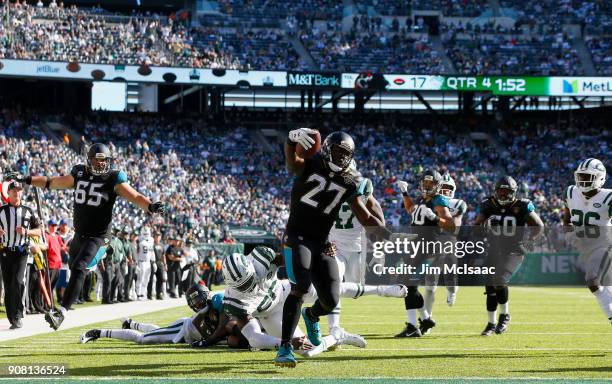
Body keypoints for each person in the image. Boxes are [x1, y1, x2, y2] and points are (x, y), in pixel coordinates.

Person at [4, 143, 166, 330]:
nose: (99, 164)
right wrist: (26, 179)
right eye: (96, 160)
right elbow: (52, 182)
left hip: (99, 236)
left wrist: (150, 206)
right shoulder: (79, 174)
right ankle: (92, 265)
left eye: (102, 161)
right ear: (88, 160)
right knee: (75, 268)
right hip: (79, 235)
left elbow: (135, 196)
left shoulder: (113, 178)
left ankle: (61, 313)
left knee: (81, 267)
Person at [276, 129, 386, 367]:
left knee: (330, 300)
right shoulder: (312, 162)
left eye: (346, 154)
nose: (341, 158)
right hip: (297, 237)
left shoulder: (351, 180)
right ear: (326, 149)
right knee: (301, 288)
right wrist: (289, 142)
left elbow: (363, 214)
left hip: (323, 242)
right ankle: (285, 347)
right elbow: (293, 163)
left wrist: (380, 230)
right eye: (337, 151)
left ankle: (312, 315)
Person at [474, 176, 544, 336]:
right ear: (496, 191)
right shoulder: (488, 204)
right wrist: (484, 226)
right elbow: (475, 229)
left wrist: (530, 240)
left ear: (514, 192)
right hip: (494, 250)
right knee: (490, 287)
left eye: (507, 192)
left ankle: (504, 316)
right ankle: (491, 323)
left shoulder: (522, 205)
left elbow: (539, 225)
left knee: (499, 280)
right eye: (501, 191)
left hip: (514, 250)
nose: (503, 195)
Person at [395, 169, 456, 337]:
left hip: (429, 249)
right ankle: (424, 319)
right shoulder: (422, 199)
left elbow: (451, 226)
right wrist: (404, 192)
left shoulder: (439, 200)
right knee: (407, 284)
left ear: (437, 185)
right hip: (417, 247)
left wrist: (436, 218)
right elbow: (410, 210)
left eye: (431, 183)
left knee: (409, 284)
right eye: (425, 182)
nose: (427, 185)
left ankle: (414, 325)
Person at [563, 158, 612, 324]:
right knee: (606, 288)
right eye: (581, 176)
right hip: (587, 248)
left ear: (600, 178)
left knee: (593, 280)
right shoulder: (571, 192)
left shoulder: (608, 197)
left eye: (587, 177)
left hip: (605, 244)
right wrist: (569, 232)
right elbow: (567, 219)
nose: (582, 180)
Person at [0, 181, 42, 329]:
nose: (16, 193)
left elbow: (38, 231)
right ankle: (12, 317)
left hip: (21, 252)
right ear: (8, 193)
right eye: (14, 190)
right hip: (5, 251)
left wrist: (26, 232)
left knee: (17, 282)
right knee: (8, 285)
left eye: (19, 190)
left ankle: (17, 315)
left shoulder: (28, 211)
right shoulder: (1, 211)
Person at [135, 226, 154, 300]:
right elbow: (136, 252)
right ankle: (138, 293)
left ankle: (143, 293)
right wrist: (136, 263)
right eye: (145, 233)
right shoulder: (138, 240)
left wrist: (153, 261)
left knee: (147, 278)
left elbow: (152, 251)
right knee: (140, 278)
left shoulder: (151, 240)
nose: (146, 235)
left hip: (148, 262)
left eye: (147, 233)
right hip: (141, 261)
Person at [148, 232, 166, 300]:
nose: (157, 237)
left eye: (159, 236)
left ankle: (159, 293)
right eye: (156, 236)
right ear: (154, 237)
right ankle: (150, 294)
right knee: (151, 279)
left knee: (161, 279)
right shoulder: (151, 244)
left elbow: (163, 255)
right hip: (152, 263)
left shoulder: (162, 245)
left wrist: (165, 264)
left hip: (160, 263)